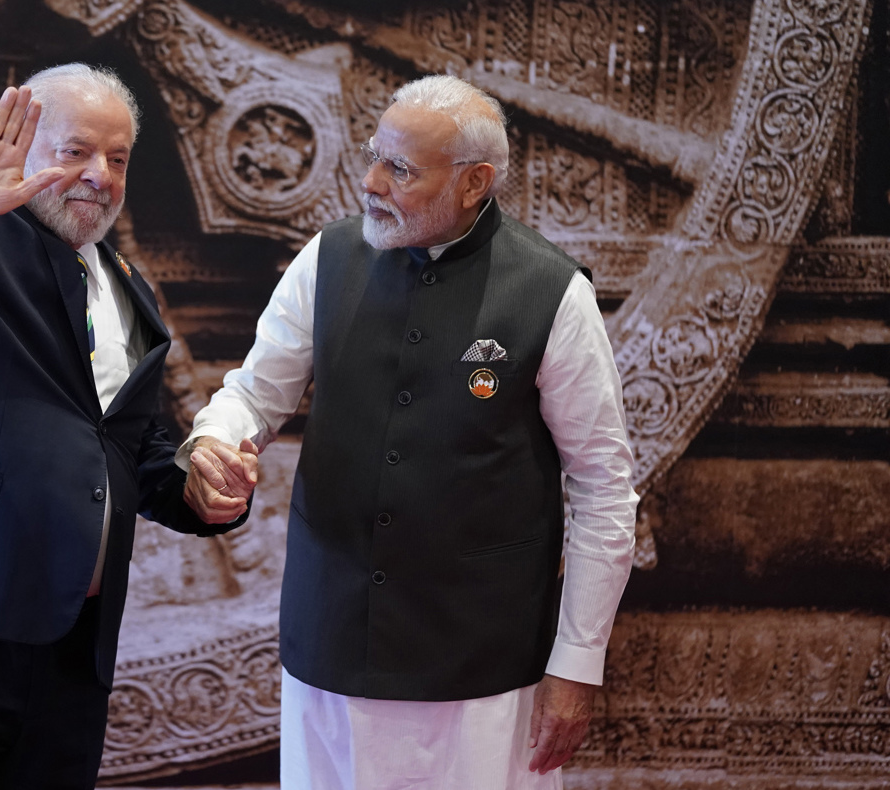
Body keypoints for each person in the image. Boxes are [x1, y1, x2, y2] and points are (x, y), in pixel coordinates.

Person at [183, 74, 639, 789]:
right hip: (331, 645)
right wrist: (215, 439)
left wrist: (577, 665)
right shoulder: (326, 259)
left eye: (400, 169)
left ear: (474, 182)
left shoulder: (553, 292)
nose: (370, 182)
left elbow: (605, 489)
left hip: (482, 669)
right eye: (374, 157)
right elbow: (253, 391)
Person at [0, 64, 258, 790]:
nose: (99, 176)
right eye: (75, 152)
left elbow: (127, 446)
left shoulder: (128, 287)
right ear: (23, 149)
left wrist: (198, 488)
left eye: (117, 159)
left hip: (70, 652)